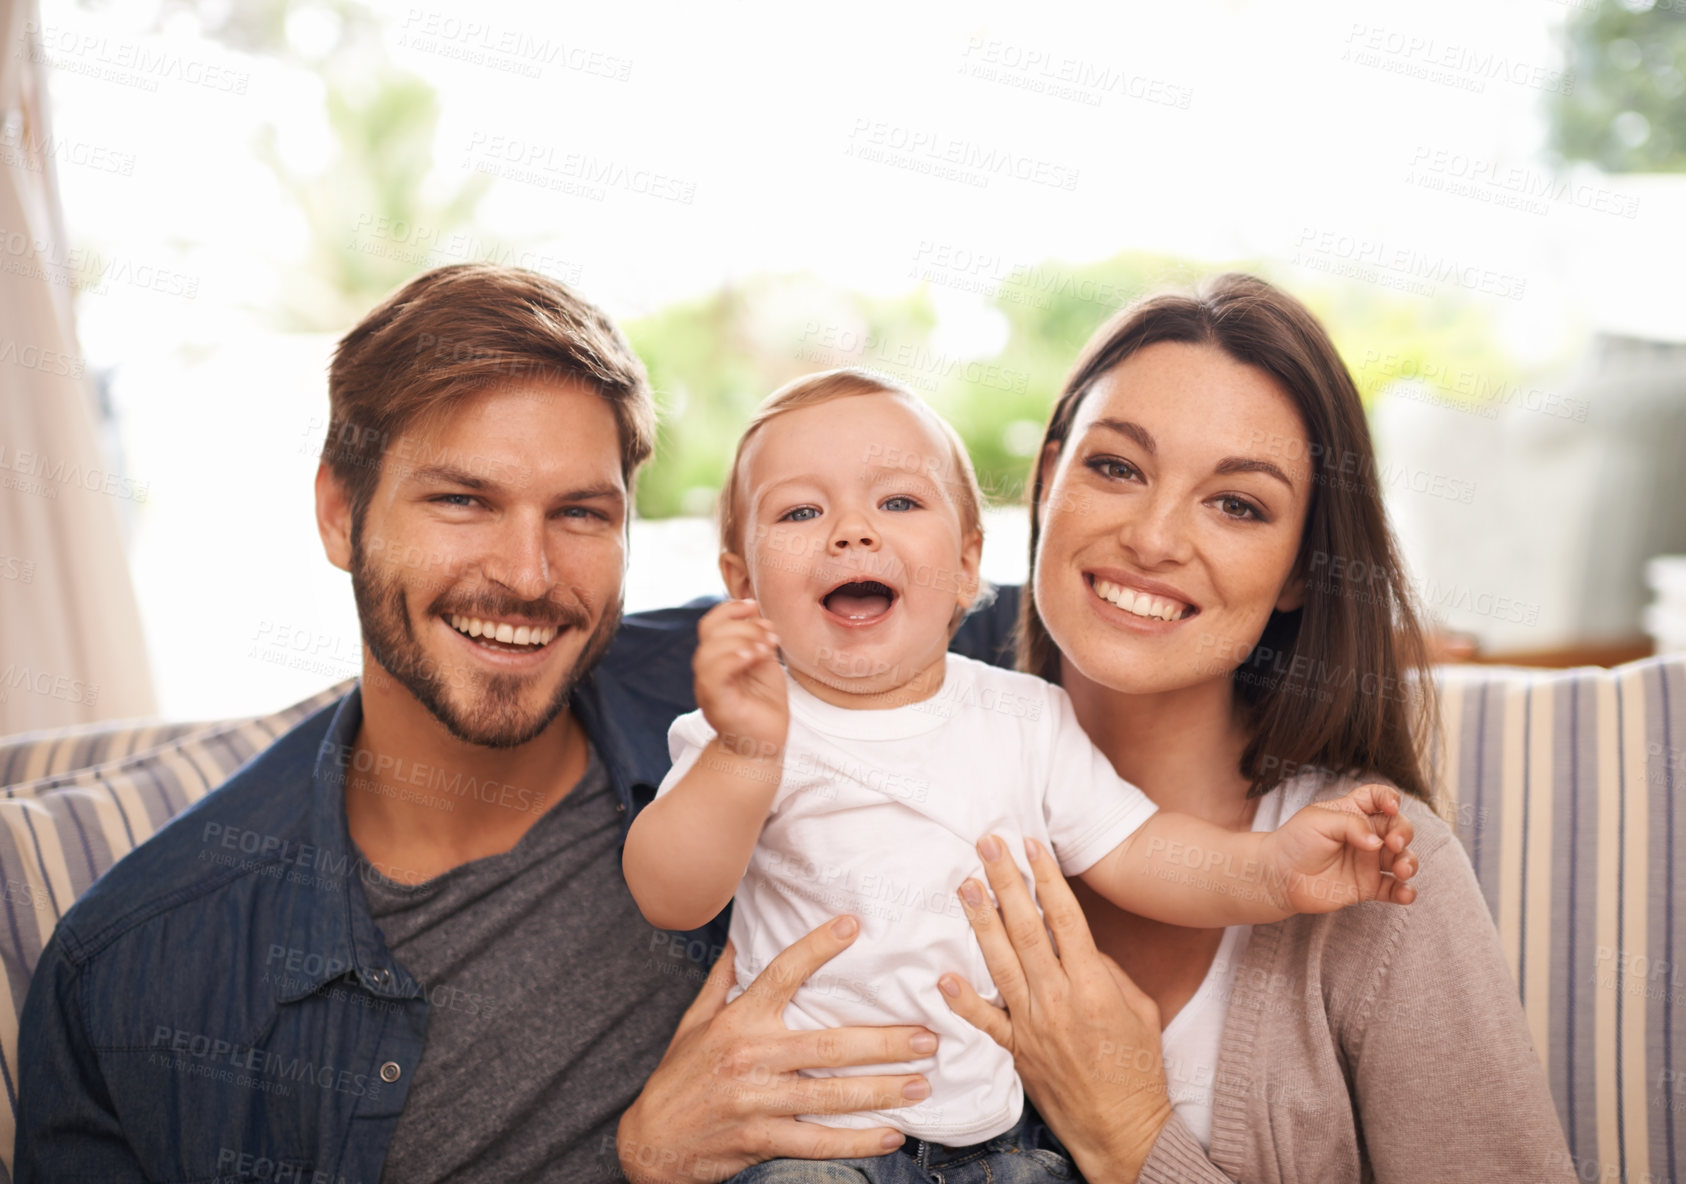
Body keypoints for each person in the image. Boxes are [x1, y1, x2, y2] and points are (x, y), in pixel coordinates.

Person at [16, 265, 1009, 1182]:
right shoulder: (143, 979)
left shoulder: (769, 671)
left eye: (580, 513)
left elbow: (1070, 610)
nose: (529, 577)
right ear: (338, 509)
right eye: (462, 499)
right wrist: (647, 1159)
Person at [620, 368, 1420, 1180]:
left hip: (993, 1142)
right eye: (800, 511)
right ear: (744, 583)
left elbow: (1142, 850)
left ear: (968, 565)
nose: (852, 531)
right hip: (810, 1137)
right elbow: (670, 892)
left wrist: (1273, 869)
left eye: (898, 503)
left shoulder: (1024, 718)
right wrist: (745, 754)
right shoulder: (745, 728)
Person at [922, 274, 1577, 1181]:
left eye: (1238, 504)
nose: (1154, 538)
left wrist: (1136, 1136)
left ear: (1304, 572)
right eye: (1116, 467)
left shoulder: (1376, 883)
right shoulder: (881, 781)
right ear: (1047, 481)